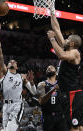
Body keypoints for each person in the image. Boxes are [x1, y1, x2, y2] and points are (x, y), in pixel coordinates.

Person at [47, 1, 83, 131]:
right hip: (68, 93)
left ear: (72, 43)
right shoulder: (69, 49)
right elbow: (56, 28)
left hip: (72, 92)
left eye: (67, 39)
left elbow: (61, 55)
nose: (65, 39)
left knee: (74, 127)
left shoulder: (74, 53)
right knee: (77, 126)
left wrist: (52, 39)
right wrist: (52, 10)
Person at [0, 19, 36, 131]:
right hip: (6, 106)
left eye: (14, 61)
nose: (12, 61)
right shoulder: (4, 73)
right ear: (7, 66)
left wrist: (31, 82)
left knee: (8, 130)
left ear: (17, 67)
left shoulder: (21, 76)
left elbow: (33, 92)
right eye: (10, 61)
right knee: (6, 129)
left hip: (17, 105)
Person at [37, 65, 68, 131]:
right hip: (47, 116)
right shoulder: (42, 84)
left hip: (60, 116)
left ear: (56, 72)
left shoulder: (61, 84)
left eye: (51, 68)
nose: (49, 68)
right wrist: (53, 89)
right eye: (48, 69)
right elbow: (41, 101)